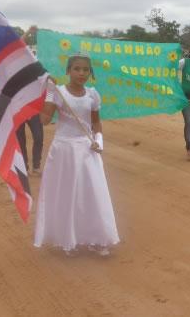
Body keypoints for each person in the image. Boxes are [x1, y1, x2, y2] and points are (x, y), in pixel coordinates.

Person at [34, 54, 119, 256]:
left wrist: (98, 140)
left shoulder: (92, 95)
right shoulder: (59, 93)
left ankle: (97, 239)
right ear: (68, 71)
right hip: (64, 150)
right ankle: (68, 239)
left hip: (87, 150)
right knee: (67, 194)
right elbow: (45, 120)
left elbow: (96, 122)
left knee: (93, 194)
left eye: (85, 70)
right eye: (77, 69)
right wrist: (48, 94)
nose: (81, 73)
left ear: (90, 73)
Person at [16, 26, 44, 175]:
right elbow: (18, 43)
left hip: (33, 108)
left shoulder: (37, 68)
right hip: (18, 109)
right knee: (20, 140)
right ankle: (24, 166)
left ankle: (36, 165)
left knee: (38, 137)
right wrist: (28, 31)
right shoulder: (14, 69)